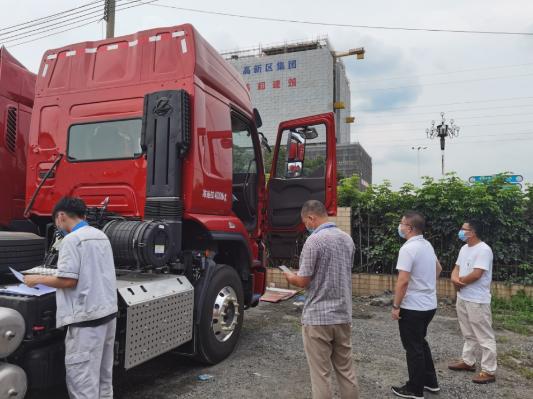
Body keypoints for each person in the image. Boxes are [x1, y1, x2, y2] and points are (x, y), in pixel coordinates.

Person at [25, 197, 118, 399]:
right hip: (107, 315)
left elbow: (68, 281)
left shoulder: (71, 240)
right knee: (103, 379)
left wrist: (36, 279)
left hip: (86, 322)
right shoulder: (100, 235)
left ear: (60, 216)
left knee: (83, 383)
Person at [283, 200, 359, 399]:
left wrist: (291, 277)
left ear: (311, 217)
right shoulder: (347, 239)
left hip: (318, 317)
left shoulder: (314, 241)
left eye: (305, 222)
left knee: (321, 375)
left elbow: (303, 280)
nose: (306, 227)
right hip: (343, 314)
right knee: (346, 371)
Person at [391, 211, 442, 399]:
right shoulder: (426, 245)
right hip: (429, 304)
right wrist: (426, 285)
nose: (400, 226)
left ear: (410, 228)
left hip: (412, 307)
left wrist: (396, 306)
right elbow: (438, 269)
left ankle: (414, 389)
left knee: (413, 349)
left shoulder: (407, 248)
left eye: (402, 223)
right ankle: (430, 382)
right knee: (421, 343)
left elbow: (403, 281)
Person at [448, 220, 497, 384]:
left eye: (464, 229)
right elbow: (456, 267)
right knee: (468, 332)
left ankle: (489, 370)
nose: (461, 231)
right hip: (463, 296)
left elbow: (477, 274)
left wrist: (459, 281)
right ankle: (468, 362)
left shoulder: (484, 250)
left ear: (473, 232)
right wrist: (454, 279)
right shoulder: (464, 248)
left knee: (484, 335)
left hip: (477, 299)